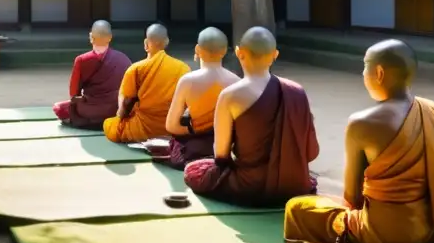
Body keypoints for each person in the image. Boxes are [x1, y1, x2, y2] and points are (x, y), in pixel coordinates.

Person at [283, 39, 434, 243]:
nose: (362, 73)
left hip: (382, 236)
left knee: (297, 208)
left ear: (379, 72)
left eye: (364, 66)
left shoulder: (361, 123)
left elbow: (352, 197)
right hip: (432, 235)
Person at [183, 26, 319, 206]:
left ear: (239, 53)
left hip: (249, 187)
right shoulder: (296, 92)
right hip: (294, 186)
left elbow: (221, 156)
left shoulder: (230, 95)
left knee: (193, 170)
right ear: (275, 55)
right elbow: (311, 152)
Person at [162, 27, 239, 168]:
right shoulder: (236, 81)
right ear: (224, 51)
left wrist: (195, 129)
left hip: (193, 151)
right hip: (224, 150)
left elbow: (171, 126)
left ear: (197, 49)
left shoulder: (187, 81)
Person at [103, 24, 190, 144]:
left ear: (145, 43)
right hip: (172, 128)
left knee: (109, 125)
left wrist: (120, 117)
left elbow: (125, 104)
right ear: (167, 42)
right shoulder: (183, 68)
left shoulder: (136, 69)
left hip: (142, 129)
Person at [52, 20, 131, 129]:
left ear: (91, 37)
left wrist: (84, 98)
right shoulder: (123, 59)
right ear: (110, 37)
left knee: (58, 108)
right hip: (115, 109)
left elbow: (73, 94)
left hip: (89, 110)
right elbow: (131, 90)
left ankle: (87, 122)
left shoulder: (82, 60)